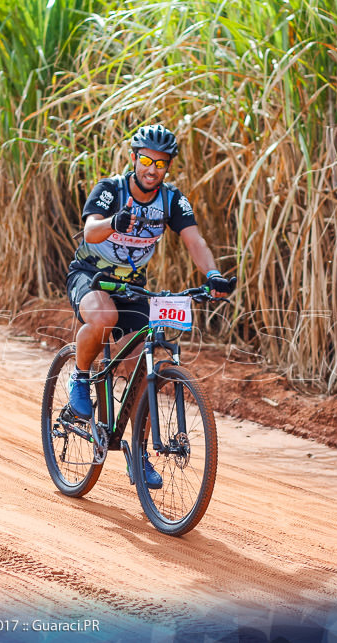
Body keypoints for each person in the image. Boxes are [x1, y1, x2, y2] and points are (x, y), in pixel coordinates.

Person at [64, 124, 234, 486]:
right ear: (133, 159)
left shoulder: (171, 200)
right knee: (104, 316)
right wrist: (114, 222)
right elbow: (91, 230)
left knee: (146, 357)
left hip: (131, 286)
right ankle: (79, 378)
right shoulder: (111, 190)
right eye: (145, 160)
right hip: (91, 276)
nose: (152, 169)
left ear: (168, 166)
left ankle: (138, 452)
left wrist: (214, 275)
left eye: (160, 163)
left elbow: (195, 241)